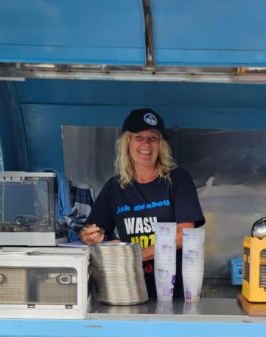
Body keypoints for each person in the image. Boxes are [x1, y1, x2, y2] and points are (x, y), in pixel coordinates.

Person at [80, 108, 205, 298]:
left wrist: (134, 255)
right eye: (139, 137)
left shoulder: (178, 180)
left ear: (161, 145)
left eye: (153, 138)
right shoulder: (114, 187)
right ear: (127, 142)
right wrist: (89, 235)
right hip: (130, 288)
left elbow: (184, 235)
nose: (146, 144)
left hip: (174, 291)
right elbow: (92, 229)